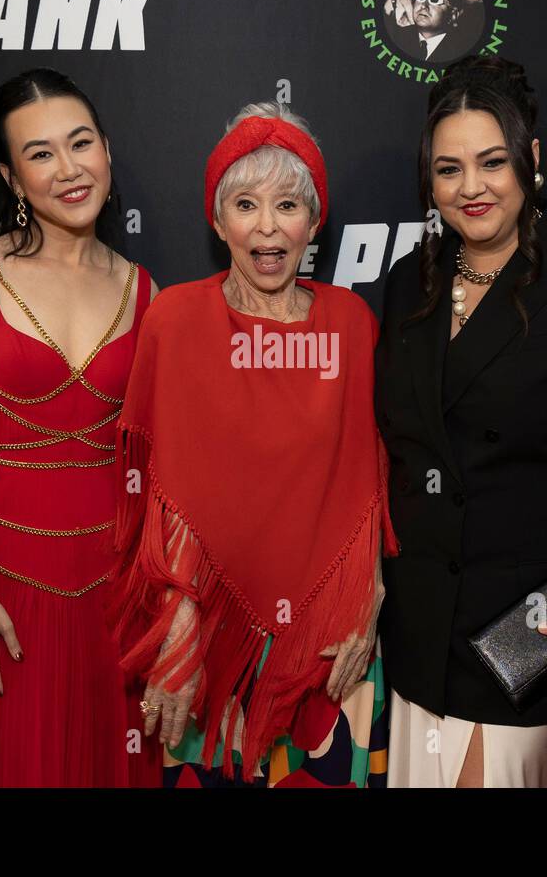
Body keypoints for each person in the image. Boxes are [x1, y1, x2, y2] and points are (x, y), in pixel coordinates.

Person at [376, 55, 547, 788]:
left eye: (492, 162)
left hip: (524, 631)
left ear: (531, 159)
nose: (471, 188)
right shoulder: (408, 285)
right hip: (418, 633)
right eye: (448, 169)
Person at [110, 102, 397, 786]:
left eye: (289, 206)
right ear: (217, 221)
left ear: (315, 220)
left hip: (334, 643)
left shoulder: (351, 323)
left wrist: (368, 600)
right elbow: (164, 493)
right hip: (207, 643)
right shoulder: (176, 319)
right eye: (245, 204)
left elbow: (370, 481)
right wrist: (177, 637)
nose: (268, 228)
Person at [0, 68, 160, 787]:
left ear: (108, 152)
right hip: (9, 589)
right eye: (40, 154)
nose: (68, 168)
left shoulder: (145, 289)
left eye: (80, 143)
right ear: (12, 177)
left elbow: (157, 465)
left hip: (118, 590)